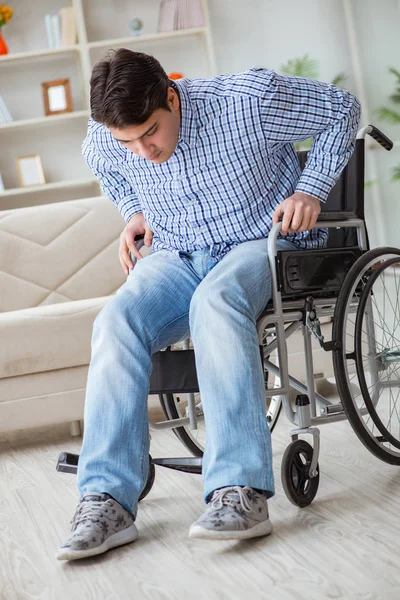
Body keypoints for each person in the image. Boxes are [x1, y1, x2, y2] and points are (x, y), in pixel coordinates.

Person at [56, 49, 360, 561]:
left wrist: (310, 190)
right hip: (176, 252)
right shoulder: (108, 140)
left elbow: (342, 110)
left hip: (259, 241)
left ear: (170, 97)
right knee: (116, 319)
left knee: (215, 303)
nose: (142, 150)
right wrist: (135, 211)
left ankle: (238, 492)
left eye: (149, 132)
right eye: (126, 140)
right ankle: (106, 499)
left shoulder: (248, 100)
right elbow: (105, 162)